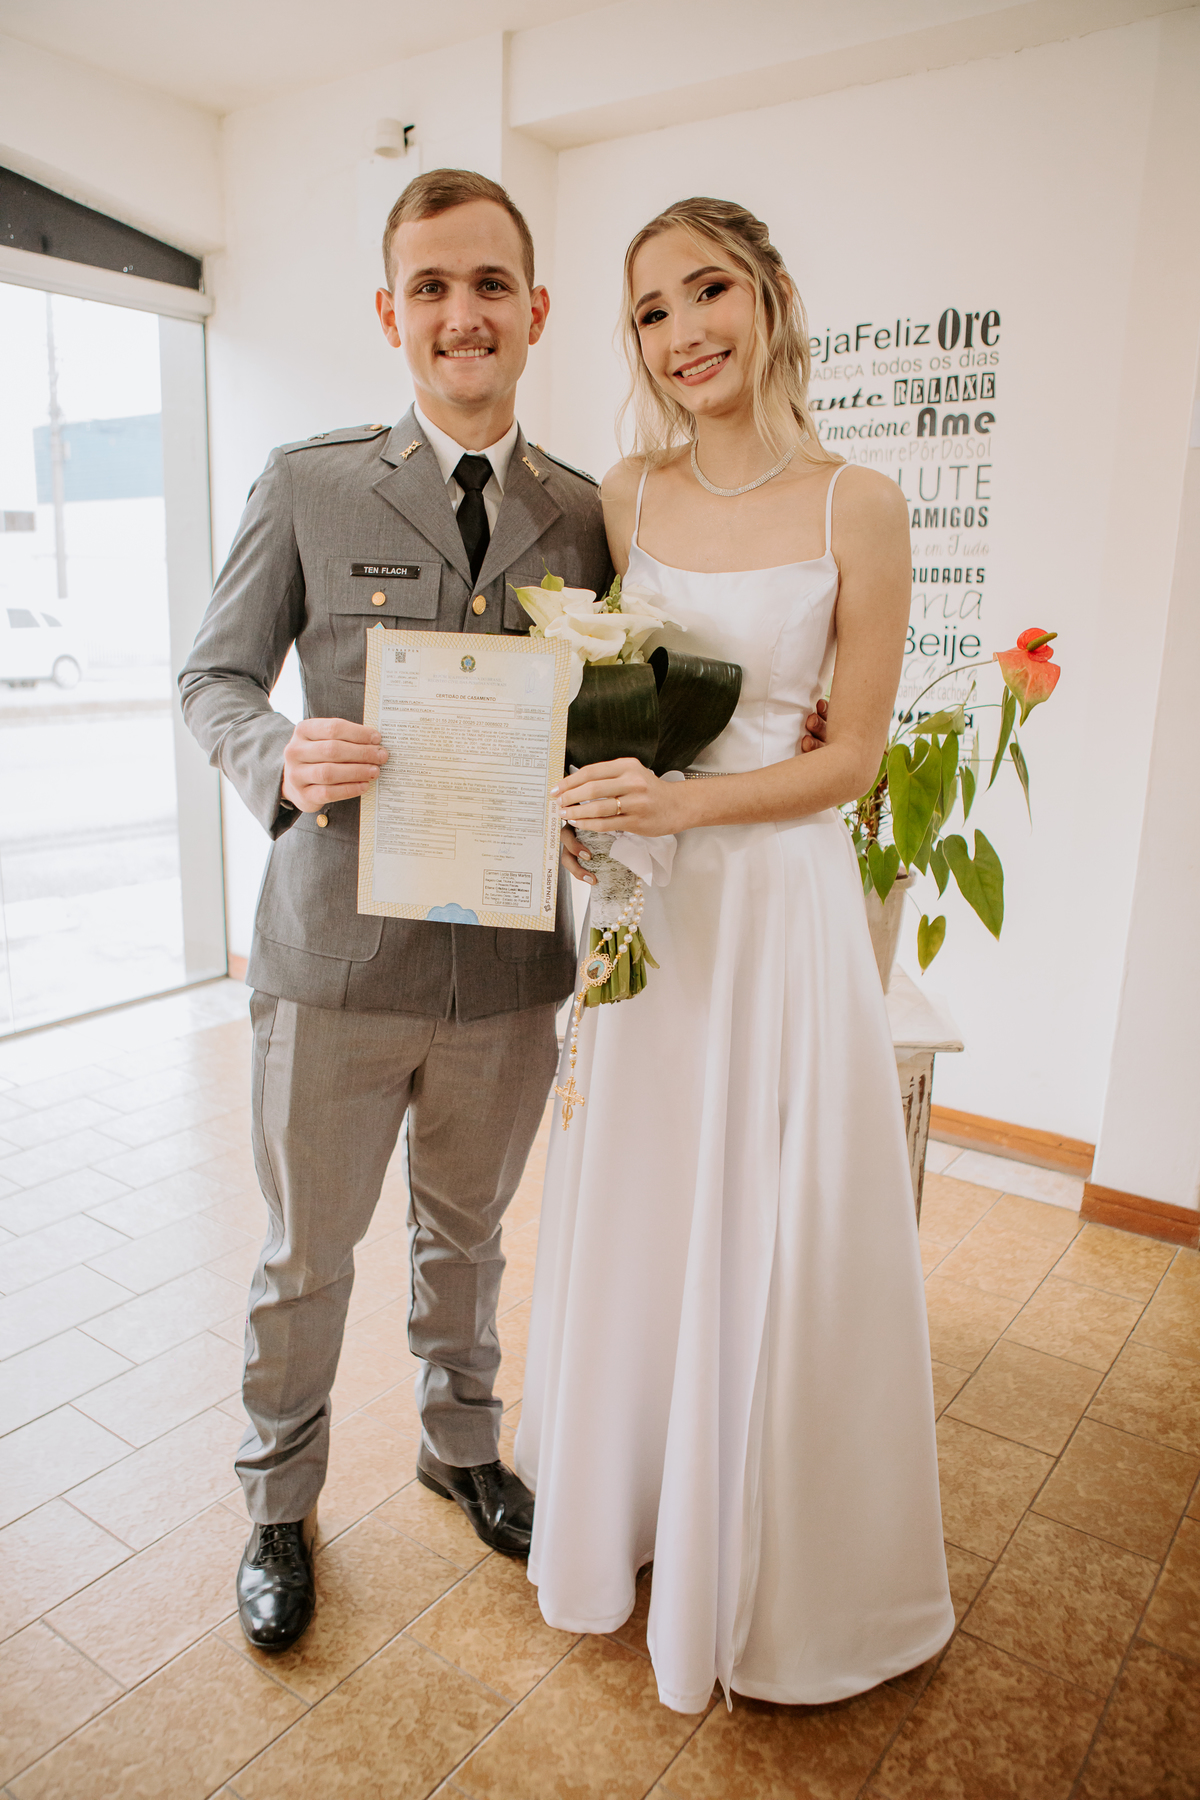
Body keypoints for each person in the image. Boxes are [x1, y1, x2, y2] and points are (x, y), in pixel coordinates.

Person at [515, 197, 955, 1713]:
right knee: (646, 1203)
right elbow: (595, 693)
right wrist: (592, 815)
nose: (684, 331)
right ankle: (636, 1512)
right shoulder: (624, 495)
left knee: (777, 1216)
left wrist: (683, 806)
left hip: (775, 906)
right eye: (651, 311)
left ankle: (774, 1561)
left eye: (708, 291)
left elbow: (852, 759)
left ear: (767, 297)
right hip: (650, 909)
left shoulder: (860, 506)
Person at [178, 169, 615, 1652]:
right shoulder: (308, 485)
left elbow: (617, 711)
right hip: (333, 961)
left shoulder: (587, 516)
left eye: (488, 284)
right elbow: (214, 678)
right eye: (430, 287)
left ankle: (461, 1448)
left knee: (468, 1238)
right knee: (306, 1254)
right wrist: (277, 754)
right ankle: (276, 1503)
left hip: (507, 969)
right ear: (390, 313)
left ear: (535, 310)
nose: (461, 314)